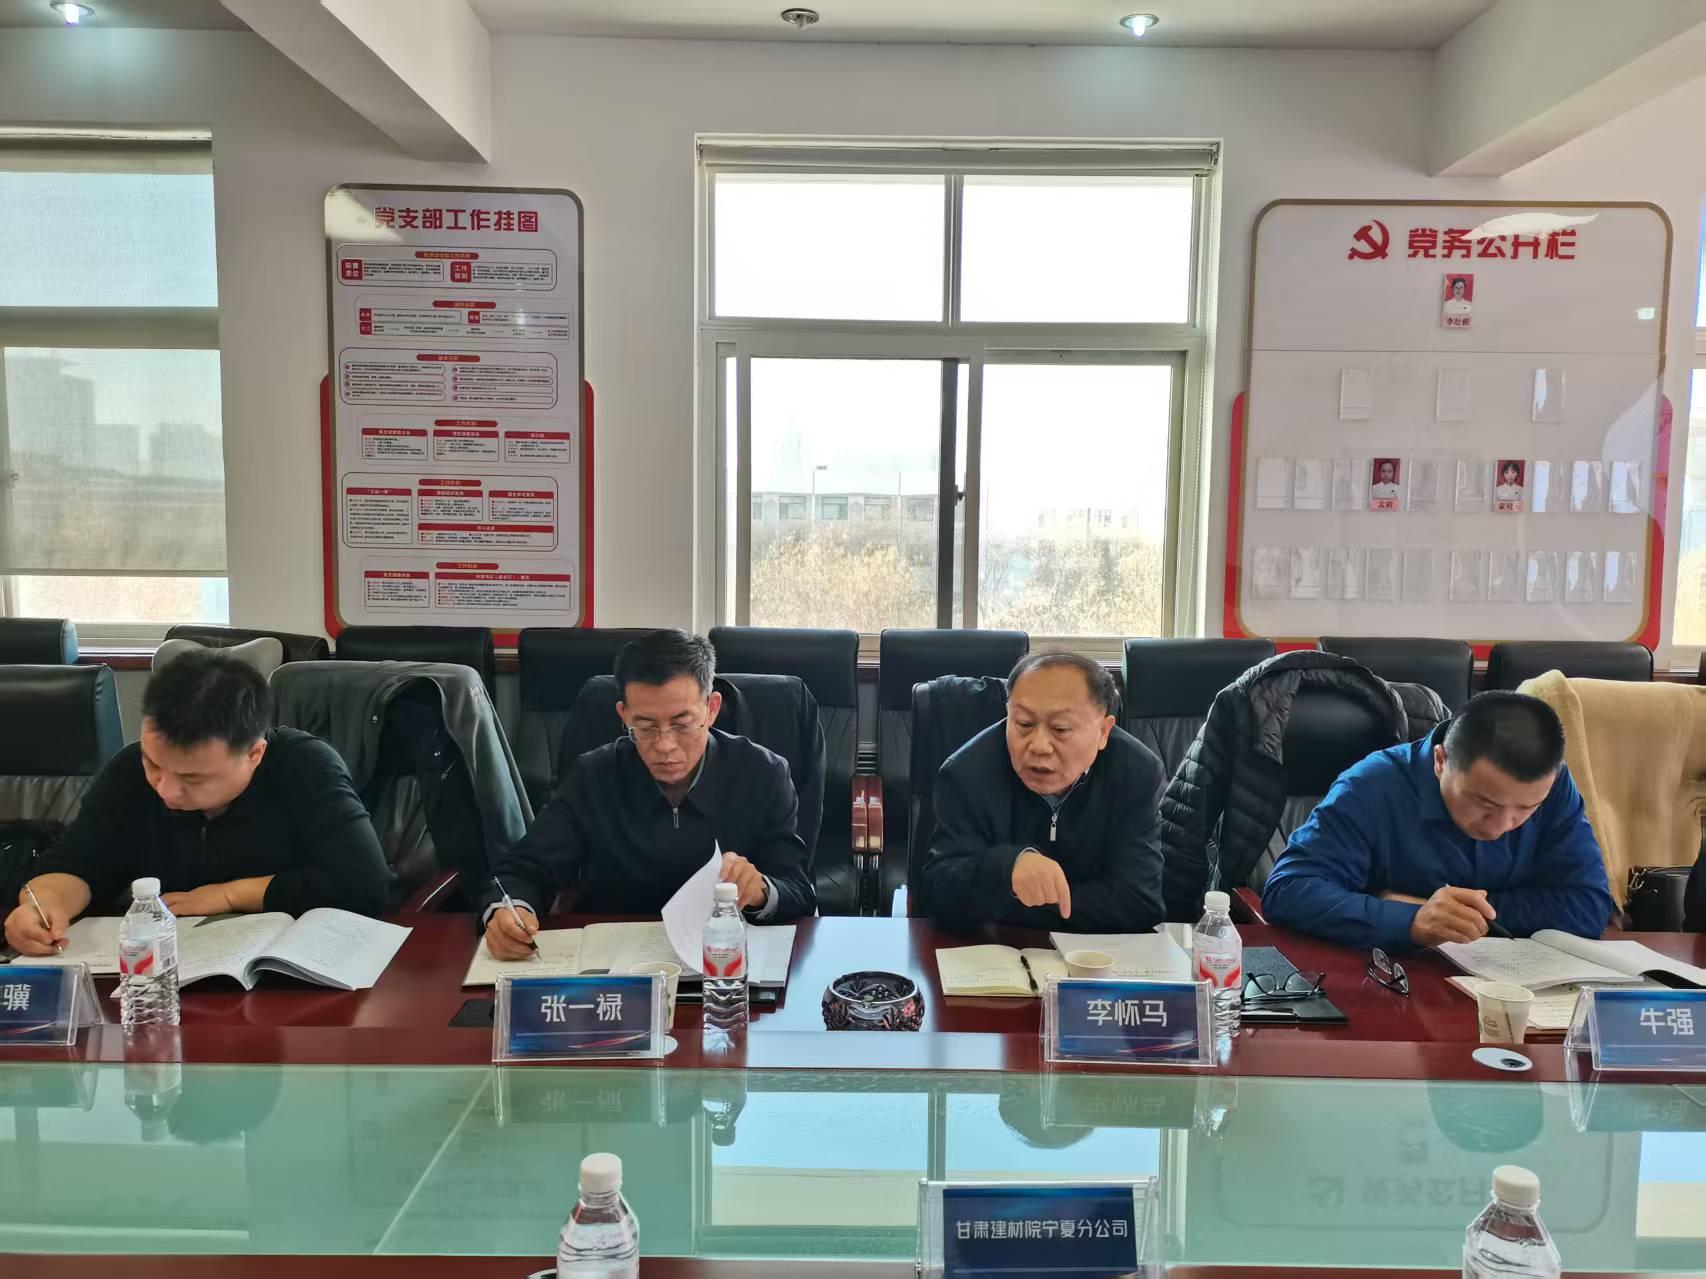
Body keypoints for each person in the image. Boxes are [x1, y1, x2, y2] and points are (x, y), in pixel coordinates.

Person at [4, 648, 389, 955]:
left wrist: (229, 895)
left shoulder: (305, 766)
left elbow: (361, 882)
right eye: (154, 765)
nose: (166, 790)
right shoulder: (126, 773)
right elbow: (78, 863)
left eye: (193, 779)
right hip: (158, 974)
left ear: (254, 754)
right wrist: (44, 906)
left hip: (283, 973)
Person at [482, 629, 814, 958]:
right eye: (645, 727)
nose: (665, 745)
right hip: (616, 965)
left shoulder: (763, 773)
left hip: (724, 965)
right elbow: (523, 871)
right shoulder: (593, 776)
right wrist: (508, 913)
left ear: (712, 709)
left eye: (682, 724)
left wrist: (761, 890)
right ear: (624, 715)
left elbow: (799, 890)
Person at [1262, 691, 1614, 951]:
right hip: (1391, 984)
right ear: (1441, 761)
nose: (1501, 825)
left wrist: (1433, 909)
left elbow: (1587, 907)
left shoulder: (1557, 788)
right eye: (1484, 803)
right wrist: (1411, 922)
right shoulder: (1372, 787)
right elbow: (1289, 890)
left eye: (1527, 808)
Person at [920, 651, 1166, 933]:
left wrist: (1008, 900)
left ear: (1103, 731)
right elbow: (938, 894)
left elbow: (1139, 903)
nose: (1038, 746)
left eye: (1060, 728)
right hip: (994, 950)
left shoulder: (1136, 773)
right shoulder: (966, 773)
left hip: (1097, 954)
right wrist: (1008, 869)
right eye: (1024, 724)